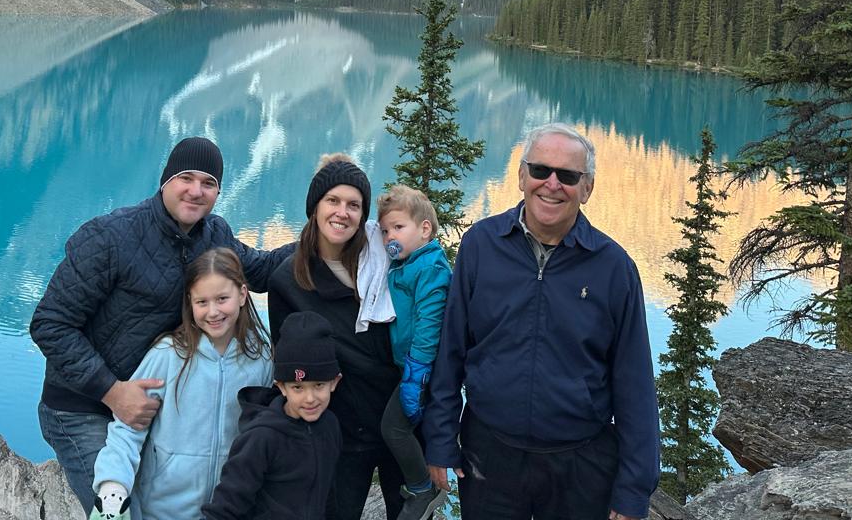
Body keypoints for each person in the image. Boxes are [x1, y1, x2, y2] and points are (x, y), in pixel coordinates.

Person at [31, 136, 294, 517]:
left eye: (208, 183)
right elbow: (50, 324)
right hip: (83, 407)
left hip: (152, 402)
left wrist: (326, 234)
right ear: (165, 180)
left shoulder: (213, 237)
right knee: (117, 509)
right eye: (186, 178)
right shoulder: (110, 236)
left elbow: (264, 271)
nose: (196, 191)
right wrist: (112, 392)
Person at [423, 122, 660, 520]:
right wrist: (440, 438)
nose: (552, 184)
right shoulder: (481, 245)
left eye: (568, 176)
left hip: (581, 462)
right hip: (488, 455)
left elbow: (634, 382)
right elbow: (451, 350)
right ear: (521, 176)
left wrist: (634, 487)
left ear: (587, 188)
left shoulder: (613, 267)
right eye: (540, 170)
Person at [268, 153, 405, 520]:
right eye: (333, 200)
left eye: (353, 205)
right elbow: (288, 368)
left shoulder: (387, 263)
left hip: (401, 421)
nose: (342, 213)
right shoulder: (288, 281)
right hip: (341, 432)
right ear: (315, 206)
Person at [90, 248, 274, 520]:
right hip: (161, 511)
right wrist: (113, 488)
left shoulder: (261, 358)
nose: (213, 312)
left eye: (222, 299)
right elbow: (128, 429)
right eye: (202, 302)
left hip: (228, 511)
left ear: (243, 295)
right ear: (190, 302)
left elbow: (264, 434)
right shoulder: (168, 355)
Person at [200, 311, 344, 520]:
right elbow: (225, 507)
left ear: (334, 382)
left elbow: (328, 494)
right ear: (281, 387)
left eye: (319, 385)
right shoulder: (261, 437)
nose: (310, 398)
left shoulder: (330, 426)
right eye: (298, 387)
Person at [377, 185, 452, 520]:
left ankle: (423, 488)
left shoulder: (430, 267)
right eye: (385, 231)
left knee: (394, 428)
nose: (389, 236)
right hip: (409, 368)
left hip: (422, 369)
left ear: (424, 229)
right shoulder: (407, 263)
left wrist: (416, 372)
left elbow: (430, 321)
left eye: (398, 227)